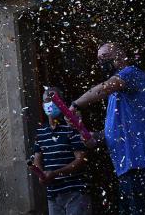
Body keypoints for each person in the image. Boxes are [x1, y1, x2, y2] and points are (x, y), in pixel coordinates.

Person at [69, 42, 145, 215]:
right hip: (126, 167)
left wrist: (75, 104)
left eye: (106, 57)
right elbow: (115, 131)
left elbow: (104, 88)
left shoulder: (131, 73)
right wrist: (95, 137)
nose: (103, 63)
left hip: (142, 164)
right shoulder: (115, 97)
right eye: (99, 60)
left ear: (122, 55)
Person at [32, 87, 91, 215]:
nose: (50, 103)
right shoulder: (41, 132)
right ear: (42, 104)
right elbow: (37, 159)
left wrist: (56, 173)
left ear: (61, 103)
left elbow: (81, 159)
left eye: (54, 100)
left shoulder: (72, 127)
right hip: (53, 195)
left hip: (75, 192)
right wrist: (41, 174)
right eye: (47, 100)